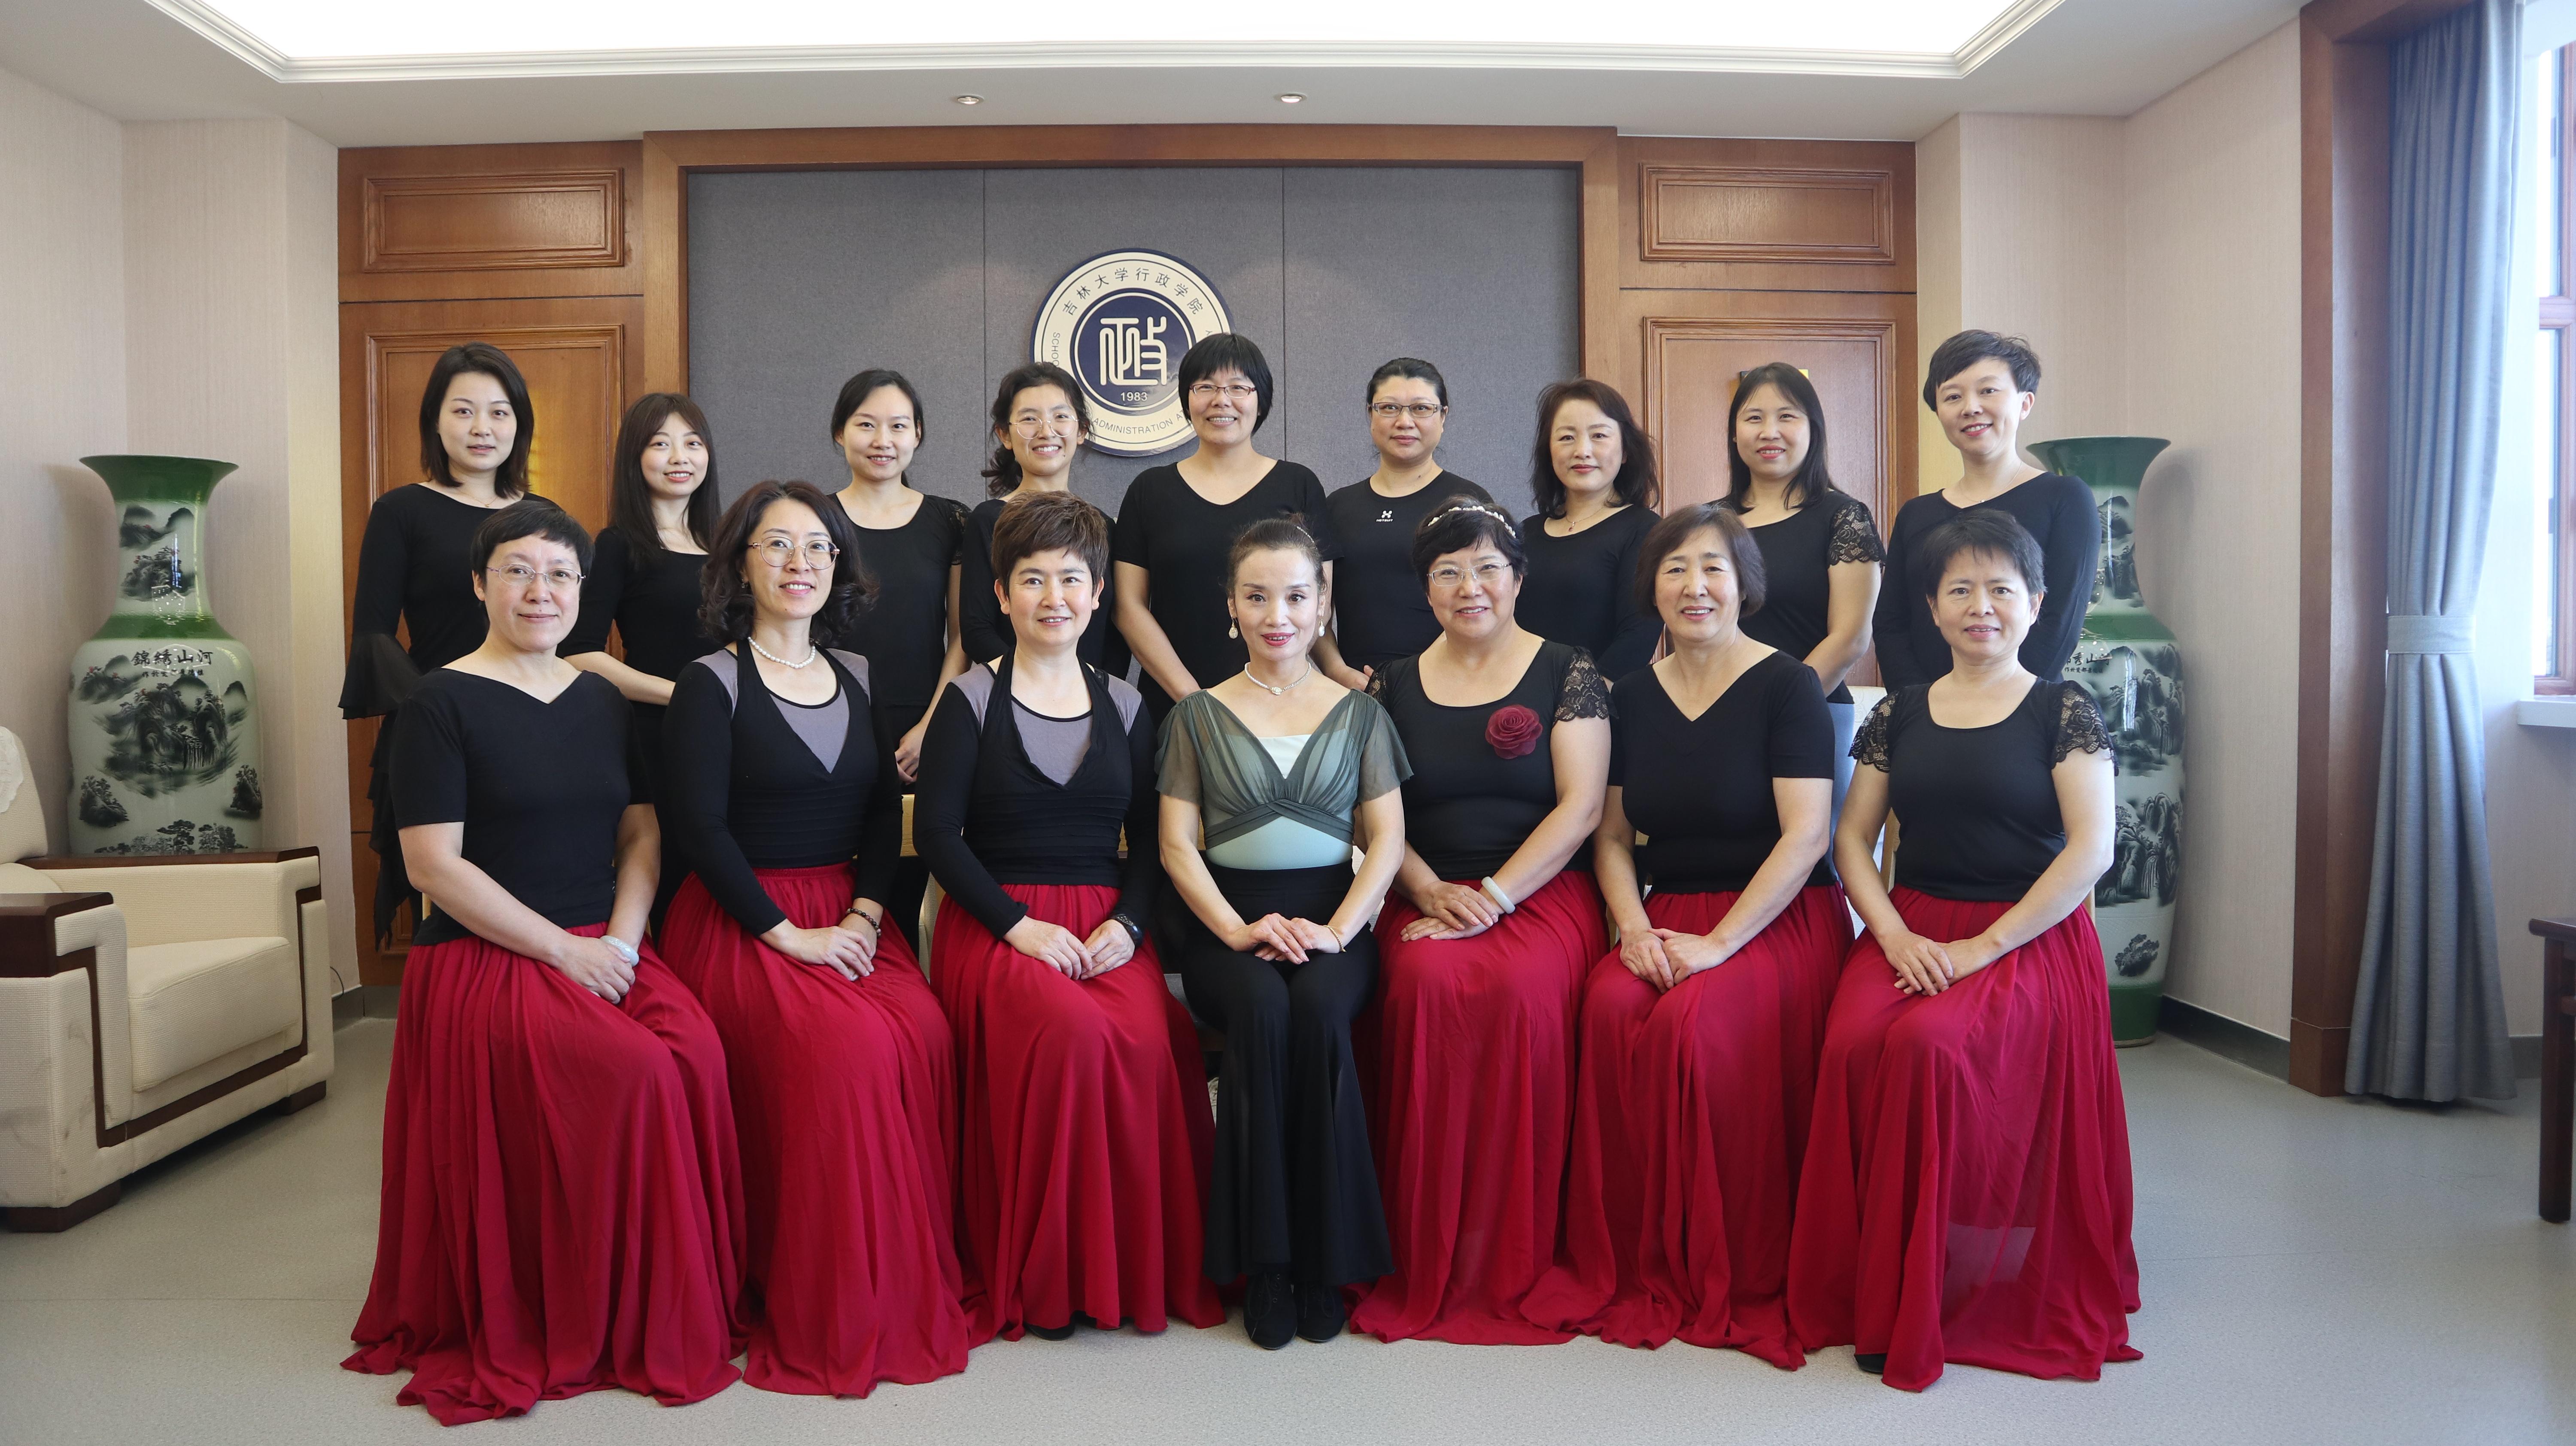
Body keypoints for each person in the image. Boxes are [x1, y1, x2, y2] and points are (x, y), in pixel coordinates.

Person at [346, 498, 744, 1425]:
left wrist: (623, 944)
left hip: (603, 940)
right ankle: (590, 1310)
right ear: (479, 583)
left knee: (697, 1049)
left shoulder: (598, 697)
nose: (542, 590)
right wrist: (566, 951)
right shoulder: (437, 701)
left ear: (581, 590)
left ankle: (658, 1299)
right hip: (490, 952)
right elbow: (432, 867)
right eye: (519, 571)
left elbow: (641, 832)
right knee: (638, 1071)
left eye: (561, 574)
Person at [1786, 510, 2135, 1391]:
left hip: (2027, 935)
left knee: (1926, 1045)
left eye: (2002, 590)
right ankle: (1869, 1283)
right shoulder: (1898, 712)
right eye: (1961, 591)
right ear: (1934, 610)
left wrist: (1985, 946)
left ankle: (1934, 1289)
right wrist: (1892, 934)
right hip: (1911, 927)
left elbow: (2093, 849)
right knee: (1852, 1040)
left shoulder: (2063, 708)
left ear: (2037, 604)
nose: (1982, 606)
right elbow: (1851, 840)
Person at [657, 480, 982, 1394]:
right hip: (743, 918)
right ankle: (827, 1290)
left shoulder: (859, 675)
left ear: (839, 566)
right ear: (740, 566)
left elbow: (882, 814)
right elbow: (699, 830)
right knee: (845, 1051)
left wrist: (867, 914)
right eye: (777, 545)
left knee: (923, 1030)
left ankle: (898, 1274)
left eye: (818, 547)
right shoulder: (710, 682)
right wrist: (788, 937)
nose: (799, 563)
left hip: (848, 910)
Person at [1519, 504, 1850, 1367]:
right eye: (1675, 569)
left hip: (1776, 916)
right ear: (1652, 589)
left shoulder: (1789, 685)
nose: (1695, 586)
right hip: (1668, 912)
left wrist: (1722, 944)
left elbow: (1806, 837)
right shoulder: (1629, 695)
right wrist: (1631, 930)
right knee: (1607, 1005)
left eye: (1713, 568)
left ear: (1744, 583)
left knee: (1691, 1026)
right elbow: (1612, 837)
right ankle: (1635, 1257)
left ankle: (1724, 1259)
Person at [917, 492, 1221, 1343]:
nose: (1054, 597)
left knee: (1148, 1035)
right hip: (997, 921)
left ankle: (1123, 1267)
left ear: (1097, 597)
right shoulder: (968, 700)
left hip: (1103, 922)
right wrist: (1017, 926)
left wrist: (1129, 927)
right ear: (1001, 594)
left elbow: (1154, 842)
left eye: (1072, 579)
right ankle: (1054, 1277)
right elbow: (939, 836)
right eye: (1033, 579)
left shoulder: (1127, 706)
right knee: (1070, 1033)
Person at [1354, 501, 1612, 1345]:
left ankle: (1513, 1248)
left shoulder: (1568, 668)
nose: (1471, 586)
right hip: (1425, 888)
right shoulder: (1390, 683)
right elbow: (1372, 815)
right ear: (1426, 589)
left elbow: (1580, 808)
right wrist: (1428, 888)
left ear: (1518, 578)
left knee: (1522, 988)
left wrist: (1496, 896)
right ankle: (1423, 1245)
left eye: (1488, 567)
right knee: (1424, 982)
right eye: (1449, 572)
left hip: (1540, 891)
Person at [1158, 517, 1410, 1350]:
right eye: (1258, 597)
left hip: (1334, 921)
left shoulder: (1361, 713)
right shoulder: (1197, 714)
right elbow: (1176, 845)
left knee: (1319, 1010)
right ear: (1230, 607)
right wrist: (1235, 929)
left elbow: (1387, 841)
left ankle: (1325, 1262)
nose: (1279, 615)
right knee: (1262, 1011)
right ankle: (1264, 1262)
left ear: (1322, 605)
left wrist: (1339, 930)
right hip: (1226, 925)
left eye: (1297, 596)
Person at [340, 342, 531, 947]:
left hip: (531, 718)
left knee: (532, 871)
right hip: (440, 720)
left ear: (519, 424)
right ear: (435, 421)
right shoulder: (401, 510)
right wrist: (438, 709)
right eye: (463, 411)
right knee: (449, 888)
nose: (482, 428)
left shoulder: (542, 516)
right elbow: (374, 633)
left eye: (499, 412)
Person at [1115, 333, 1355, 720]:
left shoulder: (1298, 485)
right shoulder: (1149, 491)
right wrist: (1193, 699)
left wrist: (1259, 693)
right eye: (1205, 387)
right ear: (1187, 399)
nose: (1221, 400)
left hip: (1281, 702)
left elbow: (1318, 601)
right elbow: (1129, 607)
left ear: (1261, 400)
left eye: (1238, 387)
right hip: (1176, 706)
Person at [828, 368, 969, 946]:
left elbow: (961, 637)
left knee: (909, 889)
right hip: (831, 722)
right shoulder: (815, 518)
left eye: (898, 426)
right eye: (866, 425)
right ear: (840, 433)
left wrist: (930, 726)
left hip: (920, 728)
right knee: (834, 875)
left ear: (918, 435)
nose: (882, 440)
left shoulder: (949, 520)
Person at [1874, 332, 2098, 687]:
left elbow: (2062, 621)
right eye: (1953, 396)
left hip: (2029, 707)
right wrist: (1920, 703)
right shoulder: (1916, 514)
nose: (1971, 407)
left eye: (1988, 391)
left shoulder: (2065, 498)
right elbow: (1891, 624)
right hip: (1926, 709)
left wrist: (1995, 704)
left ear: (2025, 403)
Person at [1719, 363, 1884, 807]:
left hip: (1813, 708)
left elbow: (1851, 637)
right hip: (1715, 711)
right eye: (1754, 418)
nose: (1769, 431)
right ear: (1734, 433)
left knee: (1807, 845)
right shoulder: (1710, 522)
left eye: (1787, 416)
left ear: (1814, 429)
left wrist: (1780, 710)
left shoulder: (1843, 517)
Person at [562, 392, 722, 763]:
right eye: (661, 444)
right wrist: (684, 695)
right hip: (658, 726)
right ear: (635, 456)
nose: (679, 457)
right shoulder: (618, 544)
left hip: (732, 721)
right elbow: (579, 654)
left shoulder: (731, 544)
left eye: (693, 443)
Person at [1322, 358, 1493, 677]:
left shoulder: (1467, 502)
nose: (1404, 422)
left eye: (1421, 409)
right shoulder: (1338, 505)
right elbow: (1315, 608)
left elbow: (1485, 604)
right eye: (1389, 408)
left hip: (1449, 683)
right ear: (1370, 414)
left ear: (1443, 416)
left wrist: (1417, 679)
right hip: (1353, 691)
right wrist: (1338, 672)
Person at [957, 362, 1128, 675]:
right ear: (1005, 435)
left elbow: (1114, 631)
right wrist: (1034, 684)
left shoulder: (1103, 527)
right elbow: (976, 629)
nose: (1046, 431)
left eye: (1060, 417)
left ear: (1081, 430)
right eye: (1029, 419)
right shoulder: (988, 520)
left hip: (1091, 692)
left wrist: (1095, 686)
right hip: (1011, 691)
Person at [1516, 379, 1662, 679]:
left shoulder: (1644, 529)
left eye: (1599, 436)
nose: (1582, 451)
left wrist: (1577, 700)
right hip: (1521, 696)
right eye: (1567, 437)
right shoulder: (1525, 532)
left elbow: (1637, 637)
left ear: (1625, 451)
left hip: (1599, 700)